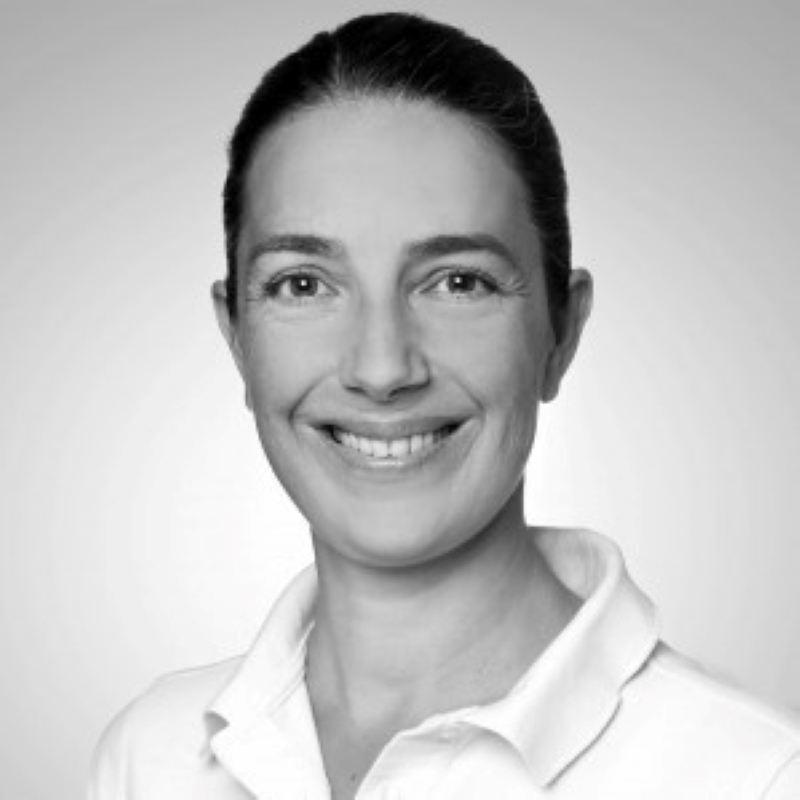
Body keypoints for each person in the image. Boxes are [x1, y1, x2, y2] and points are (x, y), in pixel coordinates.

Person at [88, 12, 800, 799]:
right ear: (236, 338)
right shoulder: (150, 755)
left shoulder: (757, 777)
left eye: (459, 282)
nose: (382, 368)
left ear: (561, 331)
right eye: (304, 284)